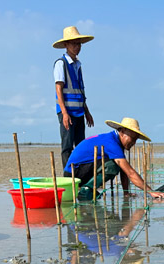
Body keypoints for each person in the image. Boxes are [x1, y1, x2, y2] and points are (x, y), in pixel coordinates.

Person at [64, 117, 164, 201]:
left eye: (136, 140)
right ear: (122, 132)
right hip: (74, 173)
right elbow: (130, 172)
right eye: (132, 138)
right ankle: (86, 190)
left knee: (118, 164)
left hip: (83, 169)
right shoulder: (111, 143)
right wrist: (150, 191)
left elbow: (124, 171)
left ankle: (89, 188)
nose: (134, 143)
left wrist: (126, 193)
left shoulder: (114, 141)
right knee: (113, 165)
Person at [53, 26, 95, 167]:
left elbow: (80, 92)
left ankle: (79, 174)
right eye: (73, 43)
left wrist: (87, 112)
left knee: (80, 146)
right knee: (67, 147)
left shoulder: (78, 65)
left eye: (78, 44)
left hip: (79, 112)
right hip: (67, 113)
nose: (76, 47)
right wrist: (64, 113)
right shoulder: (61, 64)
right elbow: (58, 88)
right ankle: (67, 175)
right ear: (66, 45)